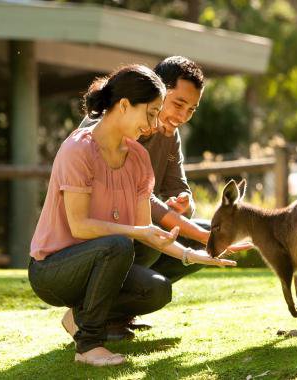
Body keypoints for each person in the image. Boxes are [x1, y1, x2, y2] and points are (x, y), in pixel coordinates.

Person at [28, 65, 236, 367]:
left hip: (104, 254)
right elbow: (80, 226)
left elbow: (147, 229)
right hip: (53, 268)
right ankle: (88, 345)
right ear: (124, 106)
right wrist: (137, 233)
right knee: (120, 244)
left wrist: (192, 254)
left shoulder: (137, 157)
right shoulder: (78, 149)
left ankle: (94, 319)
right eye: (151, 113)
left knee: (157, 289)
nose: (154, 123)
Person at [76, 57, 252, 337]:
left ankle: (117, 313)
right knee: (189, 240)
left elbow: (177, 188)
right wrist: (198, 234)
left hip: (139, 230)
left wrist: (183, 202)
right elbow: (140, 200)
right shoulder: (114, 126)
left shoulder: (170, 134)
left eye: (191, 109)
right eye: (178, 104)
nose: (182, 116)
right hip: (99, 240)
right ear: (157, 90)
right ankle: (89, 310)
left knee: (204, 232)